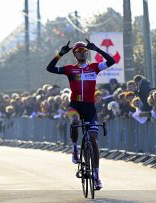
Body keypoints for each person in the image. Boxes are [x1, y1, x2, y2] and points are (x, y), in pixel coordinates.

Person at [46, 39, 115, 190]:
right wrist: (60, 54)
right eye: (78, 51)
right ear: (75, 54)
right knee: (75, 121)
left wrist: (97, 49)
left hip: (90, 108)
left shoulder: (94, 67)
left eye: (84, 51)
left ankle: (96, 177)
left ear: (87, 52)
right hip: (75, 106)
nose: (82, 53)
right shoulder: (70, 69)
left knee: (93, 140)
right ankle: (75, 149)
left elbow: (112, 60)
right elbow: (49, 68)